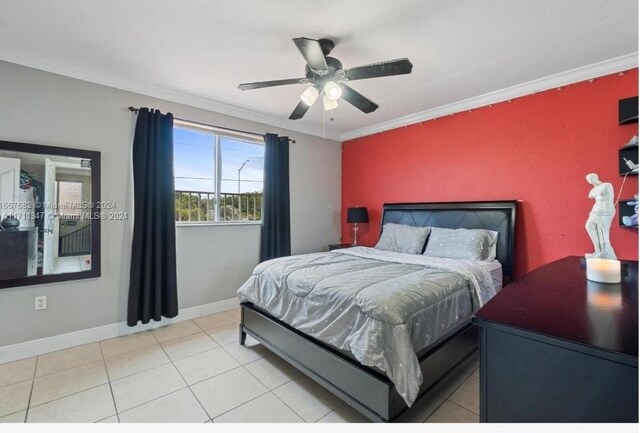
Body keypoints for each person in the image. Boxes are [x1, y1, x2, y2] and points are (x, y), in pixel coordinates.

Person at [585, 173, 616, 259]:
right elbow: (595, 200)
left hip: (606, 210)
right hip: (596, 211)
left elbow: (606, 196)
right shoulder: (592, 190)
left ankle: (605, 252)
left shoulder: (606, 185)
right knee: (589, 226)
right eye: (588, 179)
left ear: (596, 177)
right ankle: (598, 250)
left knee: (602, 231)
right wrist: (592, 211)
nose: (589, 180)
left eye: (591, 178)